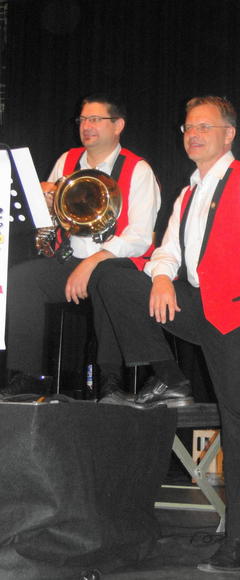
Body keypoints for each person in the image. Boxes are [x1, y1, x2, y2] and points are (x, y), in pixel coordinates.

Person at [89, 95, 240, 573]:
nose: (194, 134)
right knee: (114, 277)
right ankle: (171, 378)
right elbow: (167, 250)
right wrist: (163, 278)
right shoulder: (187, 195)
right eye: (188, 127)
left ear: (229, 134)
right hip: (197, 305)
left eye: (205, 126)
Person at [2, 93, 161, 398]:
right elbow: (49, 224)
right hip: (70, 261)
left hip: (115, 265)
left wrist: (92, 262)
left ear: (118, 125)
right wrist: (44, 202)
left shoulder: (138, 169)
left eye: (95, 119)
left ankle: (110, 380)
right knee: (22, 279)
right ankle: (29, 376)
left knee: (107, 281)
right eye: (83, 119)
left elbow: (140, 238)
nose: (86, 126)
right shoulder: (67, 160)